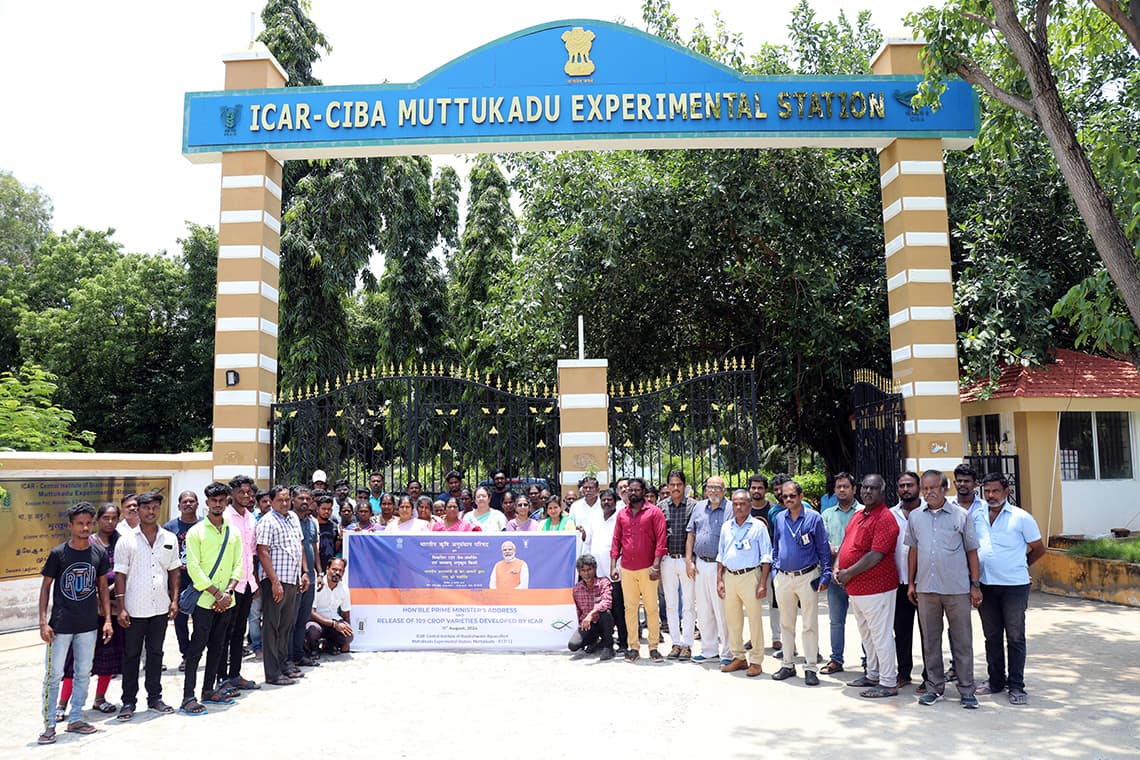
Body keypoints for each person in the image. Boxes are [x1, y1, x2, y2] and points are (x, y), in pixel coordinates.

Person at [37, 502, 113, 745]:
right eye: (79, 523)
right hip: (60, 626)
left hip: (88, 624)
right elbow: (45, 587)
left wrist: (108, 620)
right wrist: (42, 622)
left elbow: (102, 588)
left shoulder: (98, 553)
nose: (85, 527)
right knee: (54, 675)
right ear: (70, 525)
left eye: (88, 523)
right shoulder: (59, 553)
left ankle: (77, 718)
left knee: (82, 673)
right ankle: (49, 725)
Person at [907, 470, 982, 708]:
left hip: (957, 589)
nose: (928, 493)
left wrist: (975, 585)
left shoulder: (961, 515)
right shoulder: (916, 517)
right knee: (930, 641)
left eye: (933, 488)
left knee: (962, 641)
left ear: (944, 488)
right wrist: (911, 583)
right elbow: (913, 550)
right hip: (927, 589)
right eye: (925, 489)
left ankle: (967, 690)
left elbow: (972, 551)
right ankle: (934, 688)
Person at [975, 473, 1046, 705]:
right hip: (986, 585)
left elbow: (1038, 548)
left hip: (1015, 587)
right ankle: (996, 681)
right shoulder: (977, 516)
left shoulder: (1021, 517)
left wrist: (1020, 565)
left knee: (1015, 637)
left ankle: (1016, 685)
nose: (991, 496)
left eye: (995, 491)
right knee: (991, 636)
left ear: (1006, 491)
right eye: (987, 491)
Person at [114, 491, 181, 720]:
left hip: (160, 607)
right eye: (146, 508)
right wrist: (121, 607)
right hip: (134, 608)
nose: (150, 511)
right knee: (131, 655)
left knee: (156, 653)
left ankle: (155, 698)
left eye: (154, 507)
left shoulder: (169, 538)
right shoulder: (126, 541)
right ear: (139, 510)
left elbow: (174, 571)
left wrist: (174, 600)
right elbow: (120, 575)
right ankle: (128, 702)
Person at [54, 503, 124, 721]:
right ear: (98, 520)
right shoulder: (87, 543)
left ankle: (100, 698)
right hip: (83, 611)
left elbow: (124, 572)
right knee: (73, 662)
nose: (110, 522)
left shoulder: (121, 543)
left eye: (114, 518)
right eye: (106, 518)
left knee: (107, 657)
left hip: (110, 612)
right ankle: (62, 703)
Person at [180, 481, 244, 716]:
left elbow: (239, 564)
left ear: (226, 502)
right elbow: (193, 568)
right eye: (213, 501)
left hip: (227, 600)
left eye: (221, 500)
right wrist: (216, 594)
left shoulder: (233, 532)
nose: (218, 504)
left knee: (218, 647)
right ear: (207, 503)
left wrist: (227, 592)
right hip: (204, 601)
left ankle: (209, 690)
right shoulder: (196, 532)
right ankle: (188, 697)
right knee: (197, 648)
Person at [835, 474, 901, 698]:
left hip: (877, 587)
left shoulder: (885, 517)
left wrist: (847, 573)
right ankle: (872, 673)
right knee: (867, 635)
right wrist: (838, 568)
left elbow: (876, 555)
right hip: (856, 588)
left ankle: (888, 681)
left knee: (880, 635)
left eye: (873, 488)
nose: (867, 492)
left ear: (882, 492)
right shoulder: (858, 515)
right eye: (865, 487)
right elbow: (846, 545)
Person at [769, 480, 831, 686]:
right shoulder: (779, 518)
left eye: (791, 496)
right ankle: (787, 664)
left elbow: (823, 548)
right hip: (784, 578)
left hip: (808, 576)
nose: (787, 499)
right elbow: (776, 544)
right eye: (784, 496)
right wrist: (776, 570)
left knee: (809, 624)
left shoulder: (814, 518)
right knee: (786, 624)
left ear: (800, 496)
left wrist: (826, 575)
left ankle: (811, 667)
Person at [256, 485, 310, 686]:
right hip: (275, 583)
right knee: (271, 627)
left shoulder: (293, 518)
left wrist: (304, 572)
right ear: (271, 501)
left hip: (293, 580)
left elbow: (300, 546)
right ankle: (272, 673)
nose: (285, 503)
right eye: (280, 500)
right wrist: (274, 581)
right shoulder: (267, 522)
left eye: (287, 499)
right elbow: (263, 552)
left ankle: (283, 665)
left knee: (286, 626)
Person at [610, 478, 667, 663]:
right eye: (629, 490)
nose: (632, 493)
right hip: (627, 568)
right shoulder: (622, 515)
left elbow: (661, 541)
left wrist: (656, 566)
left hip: (648, 568)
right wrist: (613, 566)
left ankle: (653, 648)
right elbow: (616, 540)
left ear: (643, 491)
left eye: (636, 490)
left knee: (651, 608)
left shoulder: (654, 512)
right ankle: (633, 647)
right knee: (630, 609)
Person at [717, 489, 772, 677]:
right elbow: (721, 555)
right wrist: (720, 580)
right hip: (730, 576)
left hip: (751, 577)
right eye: (735, 503)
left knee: (755, 620)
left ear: (749, 505)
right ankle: (739, 657)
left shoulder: (758, 526)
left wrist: (763, 583)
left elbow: (766, 557)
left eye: (742, 503)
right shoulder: (726, 526)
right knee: (732, 620)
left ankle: (756, 661)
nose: (738, 507)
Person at [220, 474, 260, 692]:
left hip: (247, 584)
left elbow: (252, 553)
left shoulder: (251, 518)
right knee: (224, 633)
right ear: (232, 494)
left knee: (238, 632)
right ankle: (221, 678)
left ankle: (235, 674)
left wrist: (254, 581)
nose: (245, 495)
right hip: (228, 585)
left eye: (248, 492)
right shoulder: (225, 517)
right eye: (241, 492)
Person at [686, 474, 730, 665]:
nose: (713, 491)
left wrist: (721, 571)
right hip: (700, 565)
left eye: (717, 488)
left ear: (724, 491)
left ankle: (728, 652)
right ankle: (709, 650)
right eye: (710, 487)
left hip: (720, 566)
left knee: (722, 611)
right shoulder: (698, 507)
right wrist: (689, 560)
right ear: (705, 490)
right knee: (703, 610)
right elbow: (691, 534)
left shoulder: (729, 508)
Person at [820, 472, 860, 675]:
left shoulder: (863, 512)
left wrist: (839, 548)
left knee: (866, 622)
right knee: (836, 621)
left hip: (861, 575)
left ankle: (869, 660)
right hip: (836, 577)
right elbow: (823, 545)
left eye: (846, 486)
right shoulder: (827, 515)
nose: (842, 490)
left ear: (854, 489)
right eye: (838, 487)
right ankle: (836, 660)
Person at [891, 471, 926, 687]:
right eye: (902, 485)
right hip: (898, 582)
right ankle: (903, 673)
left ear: (918, 487)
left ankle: (929, 677)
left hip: (925, 583)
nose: (906, 489)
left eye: (910, 485)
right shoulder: (890, 514)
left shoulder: (928, 512)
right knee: (901, 632)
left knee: (928, 633)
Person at [658, 469, 697, 661]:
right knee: (671, 605)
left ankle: (687, 644)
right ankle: (675, 643)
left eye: (678, 484)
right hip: (667, 561)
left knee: (689, 604)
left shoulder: (693, 506)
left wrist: (690, 561)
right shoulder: (661, 506)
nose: (675, 488)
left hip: (687, 560)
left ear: (684, 485)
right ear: (667, 486)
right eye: (672, 484)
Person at [164, 489, 200, 671]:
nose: (188, 504)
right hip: (179, 579)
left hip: (201, 580)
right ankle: (186, 655)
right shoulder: (169, 528)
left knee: (202, 620)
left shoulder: (204, 525)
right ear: (179, 505)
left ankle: (196, 652)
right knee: (180, 620)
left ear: (197, 504)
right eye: (184, 501)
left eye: (191, 501)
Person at [749, 473, 783, 657]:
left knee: (774, 601)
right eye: (753, 487)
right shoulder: (744, 509)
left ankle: (776, 636)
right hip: (749, 565)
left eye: (760, 487)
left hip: (770, 563)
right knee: (751, 603)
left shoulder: (773, 510)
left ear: (765, 490)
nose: (756, 491)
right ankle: (753, 637)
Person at [589, 489, 626, 653]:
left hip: (615, 573)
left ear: (615, 501)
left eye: (609, 499)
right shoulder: (595, 519)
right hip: (599, 575)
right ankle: (605, 641)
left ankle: (624, 643)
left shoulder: (620, 518)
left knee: (618, 610)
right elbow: (588, 541)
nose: (606, 502)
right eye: (603, 500)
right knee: (602, 610)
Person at [290, 486, 322, 671]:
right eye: (301, 498)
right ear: (293, 500)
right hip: (295, 578)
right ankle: (288, 658)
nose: (304, 501)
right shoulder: (290, 520)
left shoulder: (312, 522)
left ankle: (298, 655)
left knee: (302, 619)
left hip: (310, 577)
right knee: (291, 621)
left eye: (307, 498)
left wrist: (318, 572)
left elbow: (314, 549)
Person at [567, 554, 615, 660]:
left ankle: (609, 646)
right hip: (588, 625)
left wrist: (591, 614)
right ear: (579, 572)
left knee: (605, 613)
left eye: (589, 569)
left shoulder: (604, 583)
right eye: (583, 570)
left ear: (595, 569)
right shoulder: (577, 589)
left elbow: (607, 602)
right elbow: (578, 612)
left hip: (603, 623)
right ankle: (595, 642)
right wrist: (583, 625)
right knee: (573, 645)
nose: (586, 573)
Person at [306, 557, 353, 655]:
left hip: (333, 623)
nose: (337, 573)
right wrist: (334, 624)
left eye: (340, 571)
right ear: (327, 569)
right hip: (316, 622)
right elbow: (311, 613)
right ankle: (313, 648)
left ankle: (329, 644)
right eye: (334, 569)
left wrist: (347, 641)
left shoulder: (344, 589)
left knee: (348, 635)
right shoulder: (317, 585)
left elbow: (346, 613)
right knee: (312, 630)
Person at [568, 476, 603, 546]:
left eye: (591, 488)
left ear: (597, 490)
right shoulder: (575, 506)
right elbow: (570, 528)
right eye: (585, 487)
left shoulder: (604, 505)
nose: (587, 490)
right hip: (580, 547)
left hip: (600, 547)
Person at [316, 494, 339, 570]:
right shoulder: (313, 525)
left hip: (330, 567)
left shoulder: (335, 526)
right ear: (317, 509)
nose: (326, 511)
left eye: (329, 509)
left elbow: (336, 548)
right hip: (315, 566)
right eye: (324, 509)